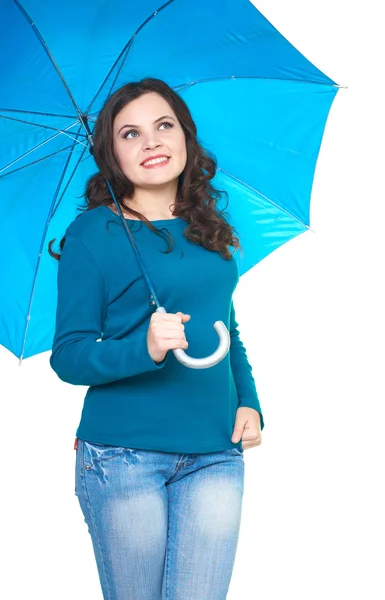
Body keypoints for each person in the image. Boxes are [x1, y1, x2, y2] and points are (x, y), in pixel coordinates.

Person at [48, 77, 264, 600]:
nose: (151, 142)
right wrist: (142, 348)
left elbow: (224, 328)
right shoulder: (92, 235)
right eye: (130, 134)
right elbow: (69, 356)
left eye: (163, 125)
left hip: (216, 450)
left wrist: (251, 402)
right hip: (124, 457)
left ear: (185, 137)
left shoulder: (207, 227)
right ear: (110, 153)